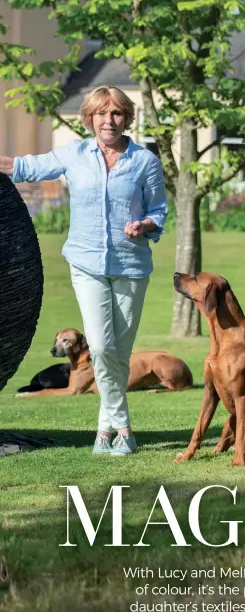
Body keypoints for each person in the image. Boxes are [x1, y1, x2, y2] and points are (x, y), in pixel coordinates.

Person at [0, 85, 167, 455]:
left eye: (117, 113)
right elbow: (25, 167)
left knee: (118, 352)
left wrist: (144, 226)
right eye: (101, 114)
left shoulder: (144, 161)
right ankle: (124, 427)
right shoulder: (74, 154)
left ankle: (104, 431)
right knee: (103, 345)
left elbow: (159, 212)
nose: (109, 120)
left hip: (131, 266)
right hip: (86, 264)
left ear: (127, 119)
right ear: (89, 118)